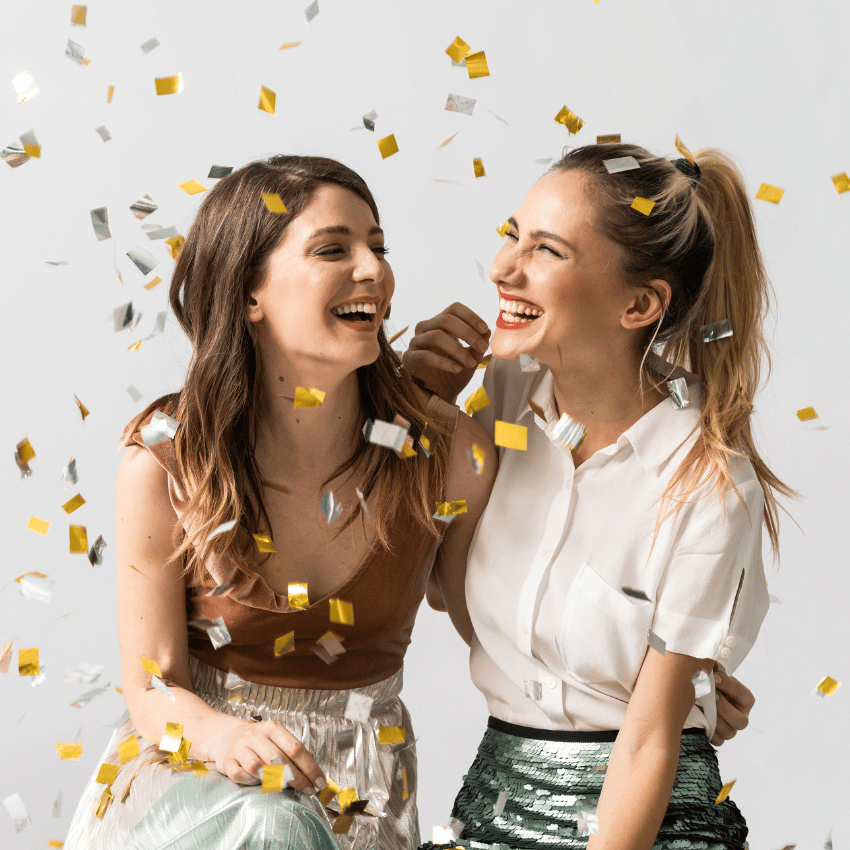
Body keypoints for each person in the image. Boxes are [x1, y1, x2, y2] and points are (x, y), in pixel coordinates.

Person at [62, 155, 498, 850]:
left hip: (360, 800)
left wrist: (678, 687)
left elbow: (505, 629)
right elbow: (152, 687)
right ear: (247, 294)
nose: (374, 271)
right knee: (268, 824)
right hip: (192, 783)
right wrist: (221, 734)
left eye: (378, 248)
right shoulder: (168, 459)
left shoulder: (446, 455)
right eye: (334, 249)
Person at [405, 142, 788, 850]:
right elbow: (466, 609)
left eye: (546, 250)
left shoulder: (706, 483)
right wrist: (411, 405)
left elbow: (646, 743)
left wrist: (686, 694)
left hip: (645, 818)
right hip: (496, 796)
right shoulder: (504, 397)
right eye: (512, 237)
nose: (502, 269)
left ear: (640, 304)